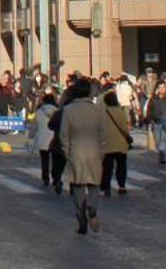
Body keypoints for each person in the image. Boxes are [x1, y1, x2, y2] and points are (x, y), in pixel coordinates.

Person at [56, 81, 106, 235]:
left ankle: (81, 218)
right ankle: (92, 207)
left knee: (78, 186)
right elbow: (103, 135)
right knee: (94, 184)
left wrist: (67, 151)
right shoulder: (98, 110)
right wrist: (102, 152)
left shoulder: (68, 110)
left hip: (76, 152)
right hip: (94, 151)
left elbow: (63, 135)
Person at [99, 87, 133, 196]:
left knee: (107, 167)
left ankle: (106, 187)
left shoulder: (103, 113)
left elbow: (100, 129)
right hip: (121, 143)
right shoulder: (121, 111)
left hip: (108, 143)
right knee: (121, 166)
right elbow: (125, 127)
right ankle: (122, 186)